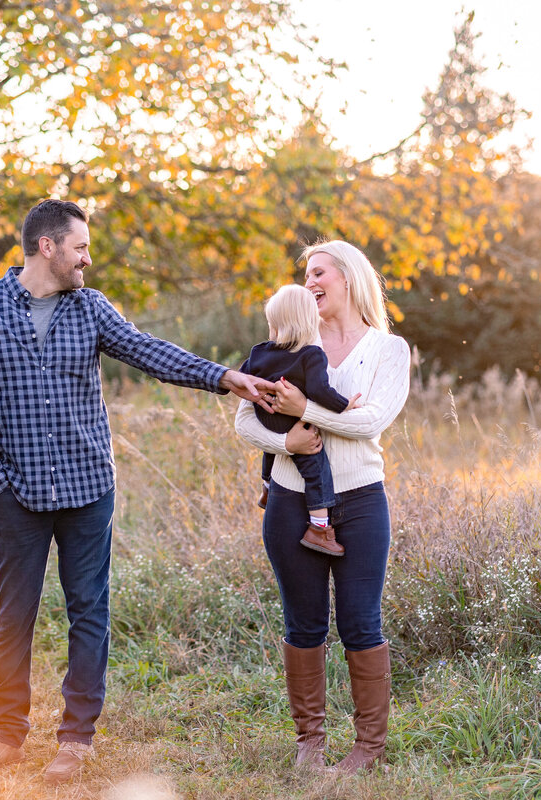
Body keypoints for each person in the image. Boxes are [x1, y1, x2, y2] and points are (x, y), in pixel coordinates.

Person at [0, 198, 274, 785]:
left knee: (88, 611)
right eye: (80, 248)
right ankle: (6, 735)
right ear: (47, 247)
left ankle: (75, 739)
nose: (87, 260)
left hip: (87, 485)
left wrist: (225, 379)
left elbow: (151, 352)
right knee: (13, 613)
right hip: (15, 492)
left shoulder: (91, 309)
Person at [234, 240, 410, 773]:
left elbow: (370, 421)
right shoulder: (284, 345)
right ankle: (309, 741)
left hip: (360, 502)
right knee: (303, 621)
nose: (309, 282)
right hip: (289, 500)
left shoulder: (387, 349)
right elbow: (244, 423)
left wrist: (302, 408)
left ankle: (368, 749)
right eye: (304, 276)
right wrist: (287, 443)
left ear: (349, 278)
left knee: (360, 622)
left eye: (319, 273)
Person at [239, 284, 362, 556]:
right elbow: (320, 390)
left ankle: (267, 487)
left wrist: (260, 390)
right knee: (315, 468)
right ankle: (319, 529)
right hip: (291, 421)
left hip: (266, 415)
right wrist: (344, 405)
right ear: (310, 321)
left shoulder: (259, 351)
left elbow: (242, 377)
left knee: (273, 446)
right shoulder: (311, 354)